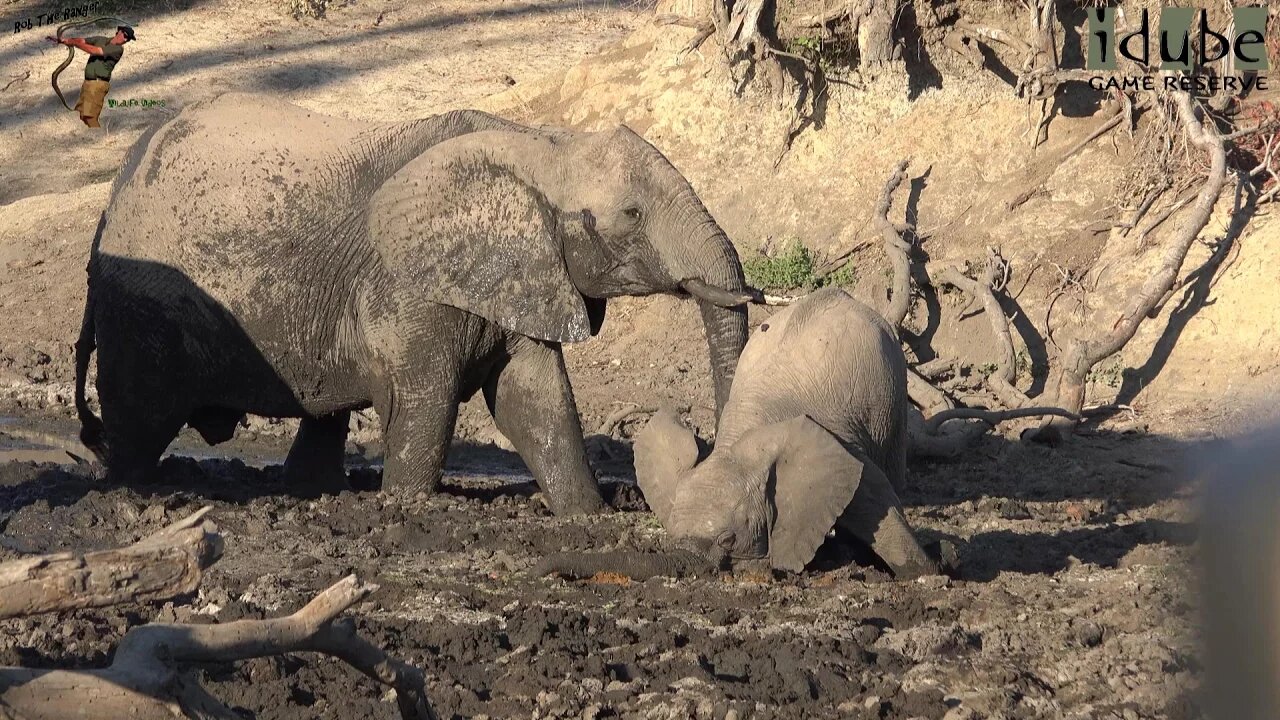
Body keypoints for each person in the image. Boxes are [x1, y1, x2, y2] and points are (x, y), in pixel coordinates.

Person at [45, 25, 135, 128]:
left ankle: (97, 138)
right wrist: (63, 40)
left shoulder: (118, 49)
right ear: (119, 31)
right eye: (125, 35)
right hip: (88, 83)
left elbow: (95, 51)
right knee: (82, 115)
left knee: (90, 118)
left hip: (97, 85)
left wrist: (74, 43)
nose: (125, 39)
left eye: (128, 39)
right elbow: (82, 41)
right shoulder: (101, 39)